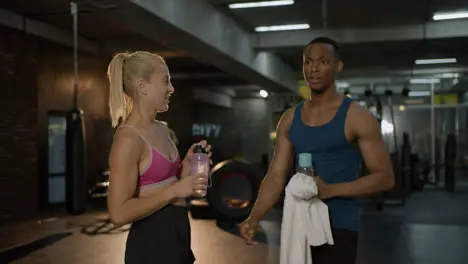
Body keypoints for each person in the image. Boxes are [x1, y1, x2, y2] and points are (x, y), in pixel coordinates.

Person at [239, 37, 395, 264]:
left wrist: (329, 190)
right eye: (308, 62)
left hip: (338, 229)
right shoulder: (290, 118)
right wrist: (254, 218)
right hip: (298, 224)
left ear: (337, 66)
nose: (313, 69)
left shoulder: (357, 117)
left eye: (322, 62)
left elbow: (385, 178)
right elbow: (276, 175)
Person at [106, 51, 212, 264]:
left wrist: (186, 167)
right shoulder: (129, 138)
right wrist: (175, 190)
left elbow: (165, 184)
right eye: (165, 81)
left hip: (177, 234)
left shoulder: (162, 130)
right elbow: (118, 214)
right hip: (152, 243)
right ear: (142, 86)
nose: (171, 89)